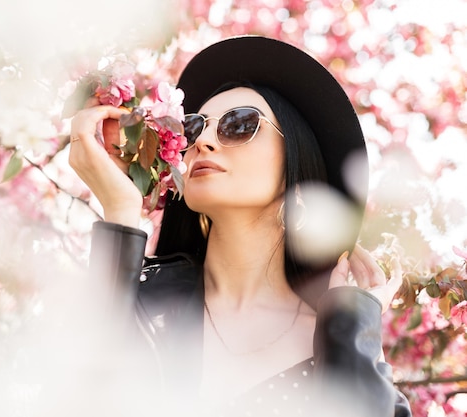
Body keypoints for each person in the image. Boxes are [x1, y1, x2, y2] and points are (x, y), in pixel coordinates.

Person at [68, 36, 412, 416]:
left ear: (294, 167)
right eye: (193, 128)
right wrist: (120, 211)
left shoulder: (339, 343)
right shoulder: (139, 296)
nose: (204, 142)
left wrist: (351, 327)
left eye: (239, 124)